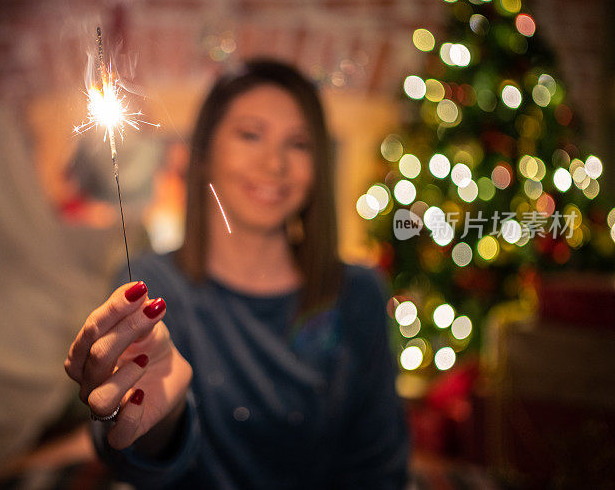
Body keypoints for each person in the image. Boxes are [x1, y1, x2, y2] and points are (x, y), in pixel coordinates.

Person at [64, 59, 410, 489]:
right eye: (250, 135)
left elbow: (380, 463)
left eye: (299, 144)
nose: (275, 164)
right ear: (204, 153)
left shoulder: (358, 292)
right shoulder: (153, 287)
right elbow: (128, 451)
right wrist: (158, 419)